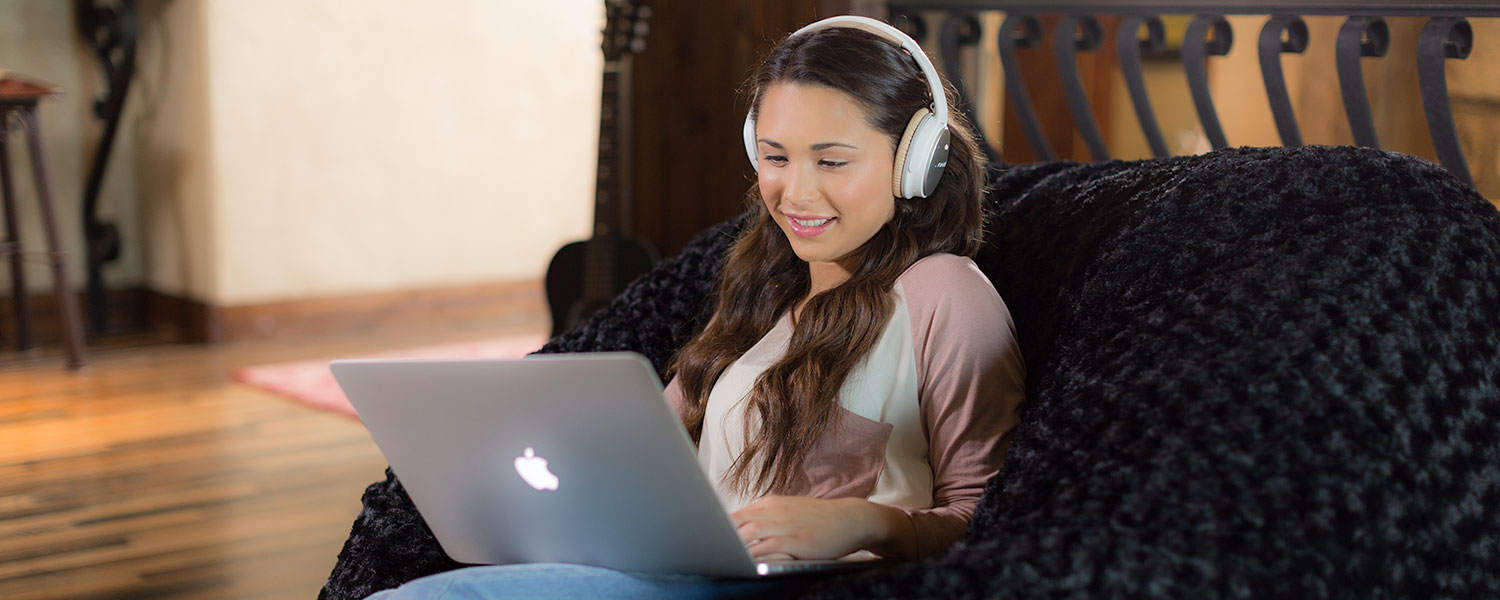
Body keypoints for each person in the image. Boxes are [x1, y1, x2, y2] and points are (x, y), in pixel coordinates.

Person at [370, 14, 1025, 599]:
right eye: (775, 156)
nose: (795, 192)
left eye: (832, 161)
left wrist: (868, 521)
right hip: (674, 568)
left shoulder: (944, 293)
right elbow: (644, 446)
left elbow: (992, 516)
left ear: (916, 163)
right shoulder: (765, 287)